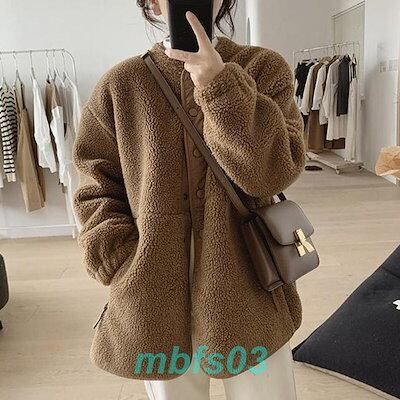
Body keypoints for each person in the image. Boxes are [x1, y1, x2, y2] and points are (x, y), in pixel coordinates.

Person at [72, 1, 306, 399]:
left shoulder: (263, 69)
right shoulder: (120, 85)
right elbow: (96, 184)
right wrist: (117, 257)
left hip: (250, 290)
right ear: (150, 2)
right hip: (152, 297)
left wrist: (220, 85)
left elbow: (271, 173)